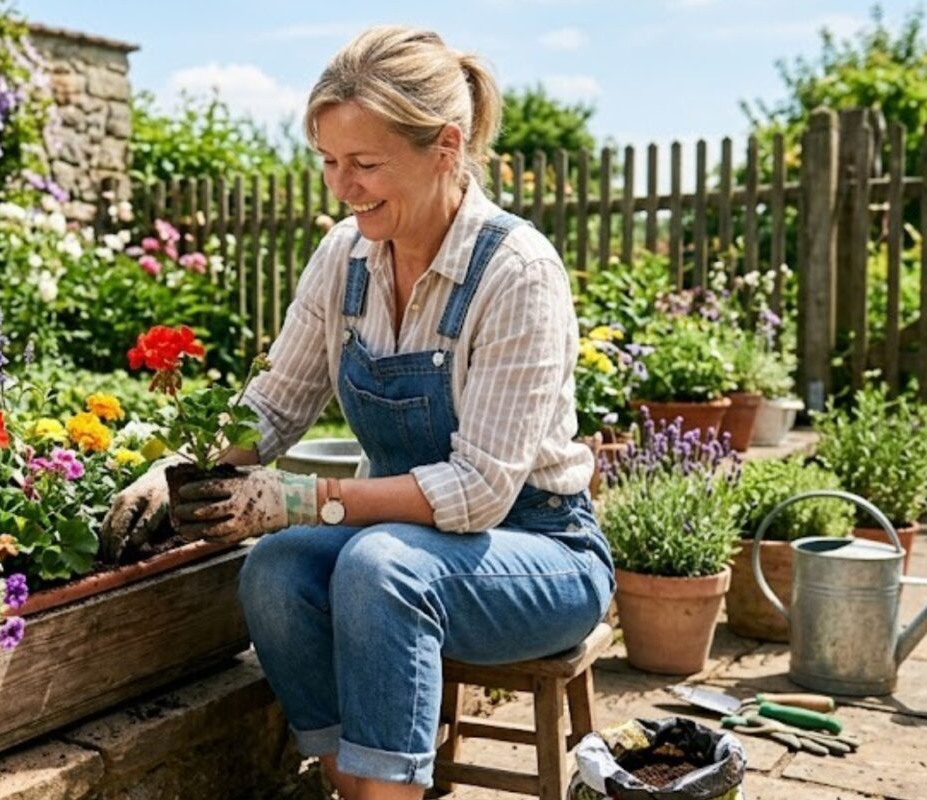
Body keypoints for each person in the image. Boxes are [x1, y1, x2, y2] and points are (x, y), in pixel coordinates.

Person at [99, 25, 615, 800]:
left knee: (379, 569)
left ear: (446, 146)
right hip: (400, 545)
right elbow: (272, 407)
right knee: (274, 570)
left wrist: (298, 498)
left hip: (539, 553)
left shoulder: (517, 272)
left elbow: (479, 493)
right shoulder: (346, 257)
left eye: (365, 164)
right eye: (330, 161)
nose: (342, 185)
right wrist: (170, 473)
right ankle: (362, 787)